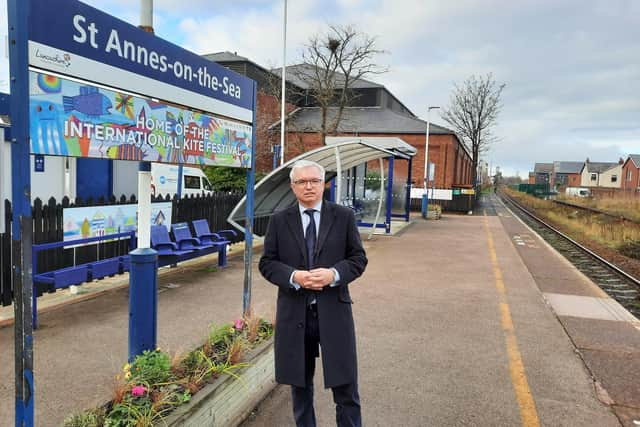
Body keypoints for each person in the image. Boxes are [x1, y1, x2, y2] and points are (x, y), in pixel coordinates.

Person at [259, 159, 368, 427]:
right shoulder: (279, 220)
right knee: (300, 387)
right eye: (302, 182)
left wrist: (334, 274)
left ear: (323, 184)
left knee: (346, 387)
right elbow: (267, 263)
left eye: (314, 181)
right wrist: (294, 277)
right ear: (293, 186)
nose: (308, 186)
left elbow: (357, 259)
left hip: (334, 313)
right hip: (295, 315)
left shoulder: (343, 217)